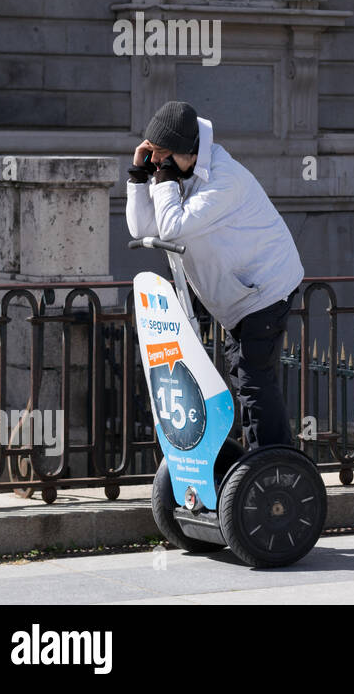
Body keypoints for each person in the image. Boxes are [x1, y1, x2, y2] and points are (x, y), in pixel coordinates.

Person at [125, 100, 304, 450]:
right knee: (241, 376)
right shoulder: (181, 172)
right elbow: (142, 227)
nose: (159, 164)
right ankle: (256, 465)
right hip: (237, 294)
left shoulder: (224, 180)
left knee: (252, 380)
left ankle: (274, 464)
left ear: (187, 152)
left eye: (164, 156)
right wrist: (139, 175)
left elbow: (173, 229)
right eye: (155, 157)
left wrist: (163, 180)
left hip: (264, 289)